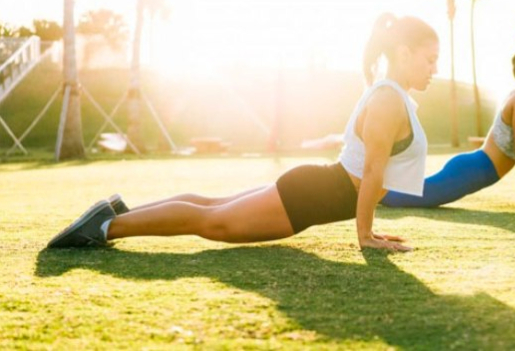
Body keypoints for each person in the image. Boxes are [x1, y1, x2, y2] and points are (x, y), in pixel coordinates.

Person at [47, 13, 439, 252]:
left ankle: (119, 213)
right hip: (316, 194)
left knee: (212, 207)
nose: (433, 69)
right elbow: (371, 172)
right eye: (429, 59)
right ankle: (104, 226)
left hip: (317, 191)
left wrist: (368, 229)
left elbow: (373, 172)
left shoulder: (392, 96)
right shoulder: (389, 99)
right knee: (211, 222)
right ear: (403, 53)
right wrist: (365, 233)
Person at [381, 48, 515, 208]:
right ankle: (366, 190)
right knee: (404, 198)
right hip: (473, 171)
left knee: (411, 194)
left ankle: (371, 189)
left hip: (474, 168)